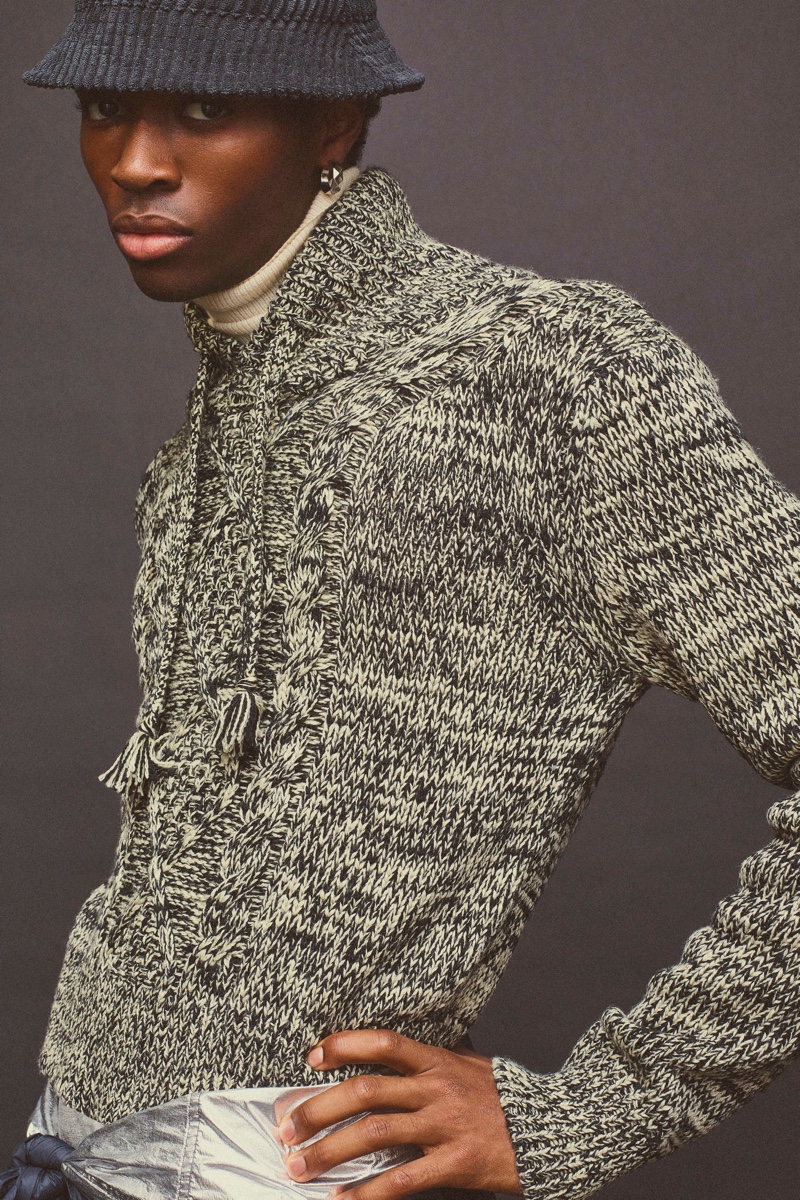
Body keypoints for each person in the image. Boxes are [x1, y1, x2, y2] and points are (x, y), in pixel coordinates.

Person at [8, 1, 799, 1198]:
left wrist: (611, 1099)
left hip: (293, 1165)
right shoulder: (215, 419)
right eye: (105, 106)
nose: (134, 161)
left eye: (205, 109)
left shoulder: (549, 368)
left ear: (333, 122)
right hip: (68, 1139)